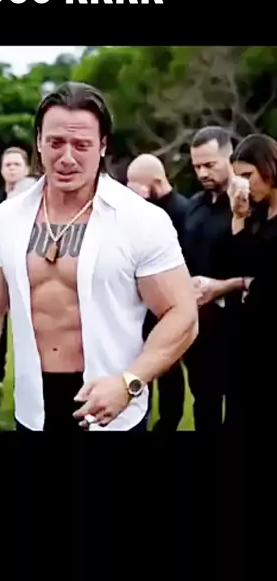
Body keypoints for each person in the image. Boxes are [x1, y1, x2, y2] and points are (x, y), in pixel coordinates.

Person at [0, 81, 198, 432]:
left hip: (112, 409)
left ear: (103, 146)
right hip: (34, 408)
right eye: (55, 142)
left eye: (81, 145)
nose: (67, 158)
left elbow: (182, 313)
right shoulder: (8, 217)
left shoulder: (141, 219)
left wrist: (129, 382)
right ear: (38, 141)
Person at [179, 127, 246, 431]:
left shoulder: (249, 205)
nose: (202, 173)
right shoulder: (194, 205)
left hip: (240, 324)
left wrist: (221, 287)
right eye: (197, 166)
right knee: (203, 404)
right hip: (200, 327)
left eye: (210, 164)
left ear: (229, 159)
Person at [217, 134, 277, 430]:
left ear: (269, 168)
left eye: (248, 175)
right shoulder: (257, 216)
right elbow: (236, 264)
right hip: (247, 339)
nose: (245, 184)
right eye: (238, 177)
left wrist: (250, 284)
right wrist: (238, 216)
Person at [127, 153, 190, 431]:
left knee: (169, 367)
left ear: (154, 182)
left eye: (136, 185)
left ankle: (168, 422)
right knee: (143, 363)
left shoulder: (182, 211)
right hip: (143, 302)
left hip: (170, 301)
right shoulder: (141, 212)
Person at [0, 147, 36, 382]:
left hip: (27, 268)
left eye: (16, 164)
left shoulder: (34, 200)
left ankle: (32, 375)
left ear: (27, 169)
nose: (12, 169)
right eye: (8, 165)